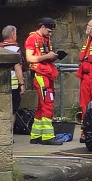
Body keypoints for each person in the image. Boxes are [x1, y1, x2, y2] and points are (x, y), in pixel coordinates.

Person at [24, 17, 63, 145]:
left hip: (47, 73)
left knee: (42, 105)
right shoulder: (32, 38)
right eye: (48, 31)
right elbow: (29, 58)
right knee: (48, 102)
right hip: (40, 74)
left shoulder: (46, 39)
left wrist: (53, 56)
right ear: (42, 27)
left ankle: (35, 135)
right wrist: (48, 56)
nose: (50, 34)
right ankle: (47, 137)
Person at [0, 25, 26, 128]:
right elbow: (17, 67)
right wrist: (22, 84)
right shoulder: (15, 49)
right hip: (13, 86)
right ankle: (9, 134)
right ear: (13, 35)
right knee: (12, 111)